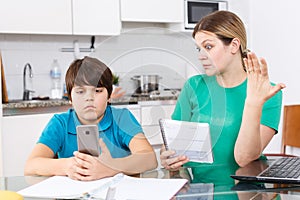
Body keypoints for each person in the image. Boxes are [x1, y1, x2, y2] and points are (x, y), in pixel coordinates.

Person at [160, 10, 285, 173]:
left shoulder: (266, 93)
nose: (201, 56)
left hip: (247, 192)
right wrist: (167, 156)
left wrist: (253, 103)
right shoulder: (194, 86)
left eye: (209, 46)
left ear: (234, 45)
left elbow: (244, 158)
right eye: (199, 49)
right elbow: (172, 144)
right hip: (201, 191)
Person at [24, 56, 157, 181]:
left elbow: (149, 158)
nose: (89, 98)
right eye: (80, 92)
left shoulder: (122, 118)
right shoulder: (60, 123)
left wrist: (110, 167)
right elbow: (31, 166)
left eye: (97, 91)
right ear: (70, 97)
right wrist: (66, 165)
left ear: (109, 96)